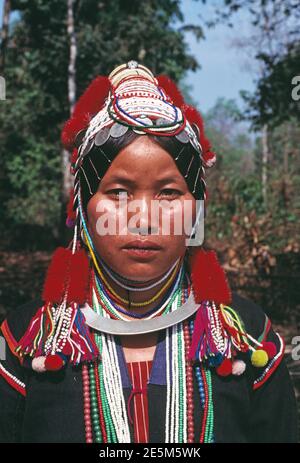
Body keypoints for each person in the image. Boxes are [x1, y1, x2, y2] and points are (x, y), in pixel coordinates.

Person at [0, 62, 297, 443]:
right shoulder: (25, 345)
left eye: (169, 193)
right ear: (83, 205)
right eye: (118, 192)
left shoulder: (249, 339)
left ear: (197, 208)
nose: (144, 218)